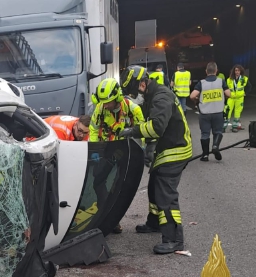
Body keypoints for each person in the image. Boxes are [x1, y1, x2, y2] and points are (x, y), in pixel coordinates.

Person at [118, 65, 192, 254]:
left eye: (134, 92)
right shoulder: (151, 95)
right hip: (166, 147)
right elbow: (148, 122)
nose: (135, 97)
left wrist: (132, 132)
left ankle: (174, 239)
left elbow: (157, 126)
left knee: (165, 193)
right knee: (153, 186)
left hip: (176, 149)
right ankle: (154, 222)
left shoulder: (161, 97)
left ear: (143, 84)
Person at [88, 77, 146, 233]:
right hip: (106, 151)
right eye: (103, 103)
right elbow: (94, 129)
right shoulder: (100, 109)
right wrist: (94, 150)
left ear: (117, 98)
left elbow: (143, 131)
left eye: (108, 102)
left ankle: (113, 220)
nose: (105, 105)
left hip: (125, 153)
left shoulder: (132, 109)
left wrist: (143, 151)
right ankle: (104, 214)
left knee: (119, 187)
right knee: (98, 182)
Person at [190, 62, 231, 161]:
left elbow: (192, 96)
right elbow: (228, 94)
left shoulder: (202, 83)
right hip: (218, 112)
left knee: (205, 134)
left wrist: (197, 100)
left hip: (205, 113)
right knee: (218, 131)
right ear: (216, 71)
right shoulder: (221, 81)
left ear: (206, 71)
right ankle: (215, 146)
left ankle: (205, 155)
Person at [226, 64, 252, 132]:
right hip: (231, 97)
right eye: (236, 70)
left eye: (238, 70)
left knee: (237, 113)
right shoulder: (229, 79)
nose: (237, 72)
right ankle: (223, 127)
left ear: (241, 71)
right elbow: (225, 88)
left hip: (239, 98)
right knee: (227, 110)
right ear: (233, 71)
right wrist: (227, 94)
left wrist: (245, 93)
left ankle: (235, 127)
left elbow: (249, 87)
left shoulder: (244, 79)